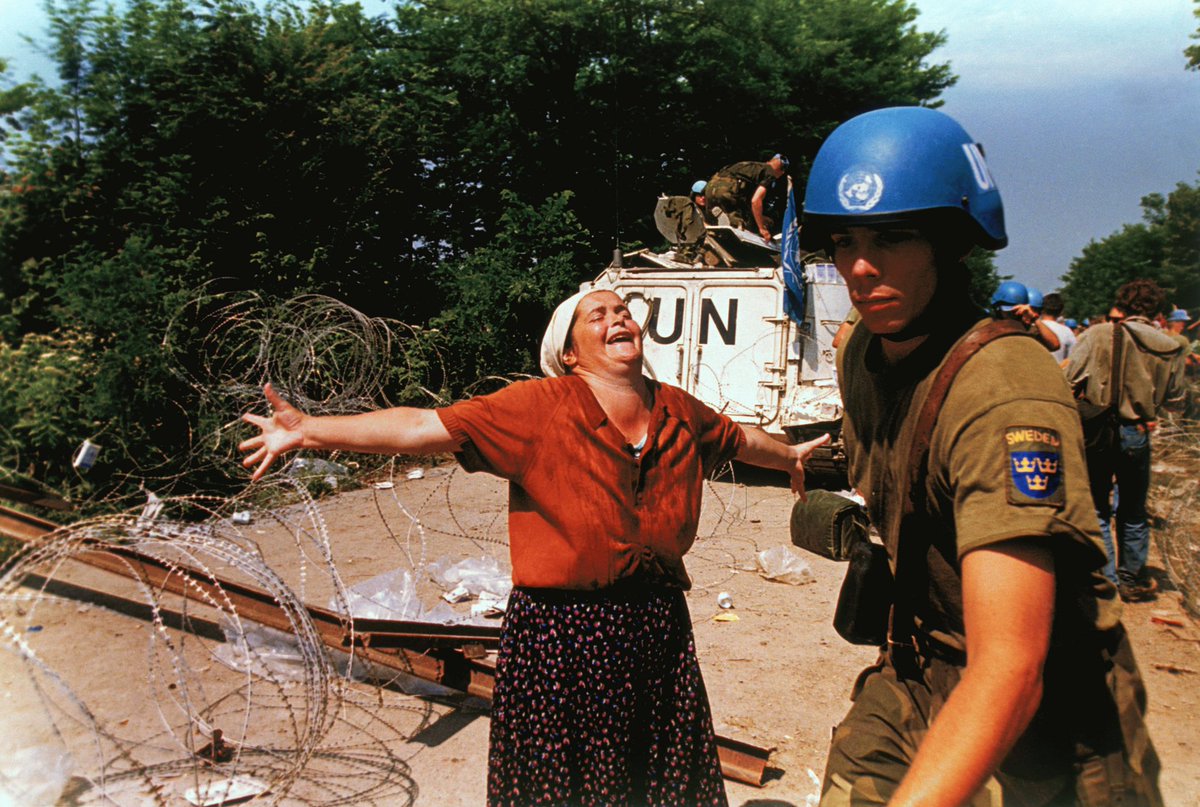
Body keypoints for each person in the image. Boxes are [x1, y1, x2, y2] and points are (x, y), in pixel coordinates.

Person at [239, 288, 830, 807]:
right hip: (562, 635)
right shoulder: (538, 408)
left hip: (656, 625)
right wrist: (309, 430)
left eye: (623, 311)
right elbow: (422, 427)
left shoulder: (677, 408)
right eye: (598, 316)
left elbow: (738, 439)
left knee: (657, 774)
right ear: (569, 353)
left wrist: (790, 457)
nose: (618, 319)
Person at [800, 106, 1162, 806]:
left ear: (950, 242)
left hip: (1048, 715)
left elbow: (1012, 666)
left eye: (893, 237)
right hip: (917, 666)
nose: (860, 267)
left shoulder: (1004, 390)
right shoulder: (862, 355)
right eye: (844, 240)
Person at [1065, 279, 1187, 600]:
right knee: (1133, 509)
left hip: (1099, 431)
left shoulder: (1099, 334)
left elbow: (1069, 378)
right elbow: (1175, 400)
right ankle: (1131, 579)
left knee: (1098, 506)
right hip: (1139, 432)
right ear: (1157, 310)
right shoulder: (1172, 346)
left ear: (1122, 304)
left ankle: (1105, 579)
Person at [705, 154, 787, 241]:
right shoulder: (770, 173)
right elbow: (756, 200)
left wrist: (760, 217)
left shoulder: (750, 165)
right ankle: (735, 224)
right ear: (781, 172)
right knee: (741, 221)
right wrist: (762, 228)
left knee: (721, 213)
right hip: (727, 190)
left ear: (768, 161)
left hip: (710, 187)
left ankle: (714, 224)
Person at [1039, 291, 1077, 363]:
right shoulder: (1067, 332)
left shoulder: (1033, 328)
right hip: (1058, 369)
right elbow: (1072, 358)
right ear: (1061, 312)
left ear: (1041, 309)